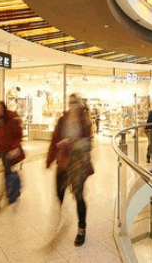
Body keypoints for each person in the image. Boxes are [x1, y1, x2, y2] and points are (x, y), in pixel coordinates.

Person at [47, 94, 94, 247]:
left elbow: (88, 143)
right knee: (59, 191)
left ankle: (81, 228)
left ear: (79, 104)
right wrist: (49, 159)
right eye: (70, 102)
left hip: (78, 163)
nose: (72, 105)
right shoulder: (62, 120)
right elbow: (55, 139)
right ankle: (61, 217)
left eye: (75, 102)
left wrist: (71, 142)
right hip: (63, 161)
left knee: (78, 195)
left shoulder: (84, 122)